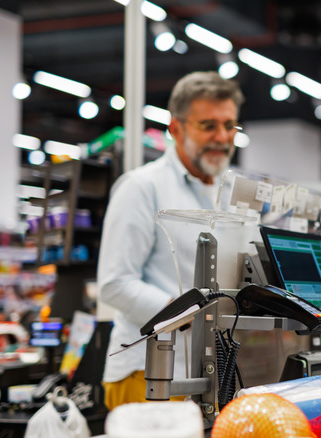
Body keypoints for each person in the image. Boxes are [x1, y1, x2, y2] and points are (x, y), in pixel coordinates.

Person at [98, 71, 244, 410]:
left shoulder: (230, 194)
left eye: (229, 125)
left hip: (213, 375)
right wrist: (189, 313)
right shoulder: (141, 187)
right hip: (148, 375)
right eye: (208, 125)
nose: (222, 137)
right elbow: (115, 283)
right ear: (175, 128)